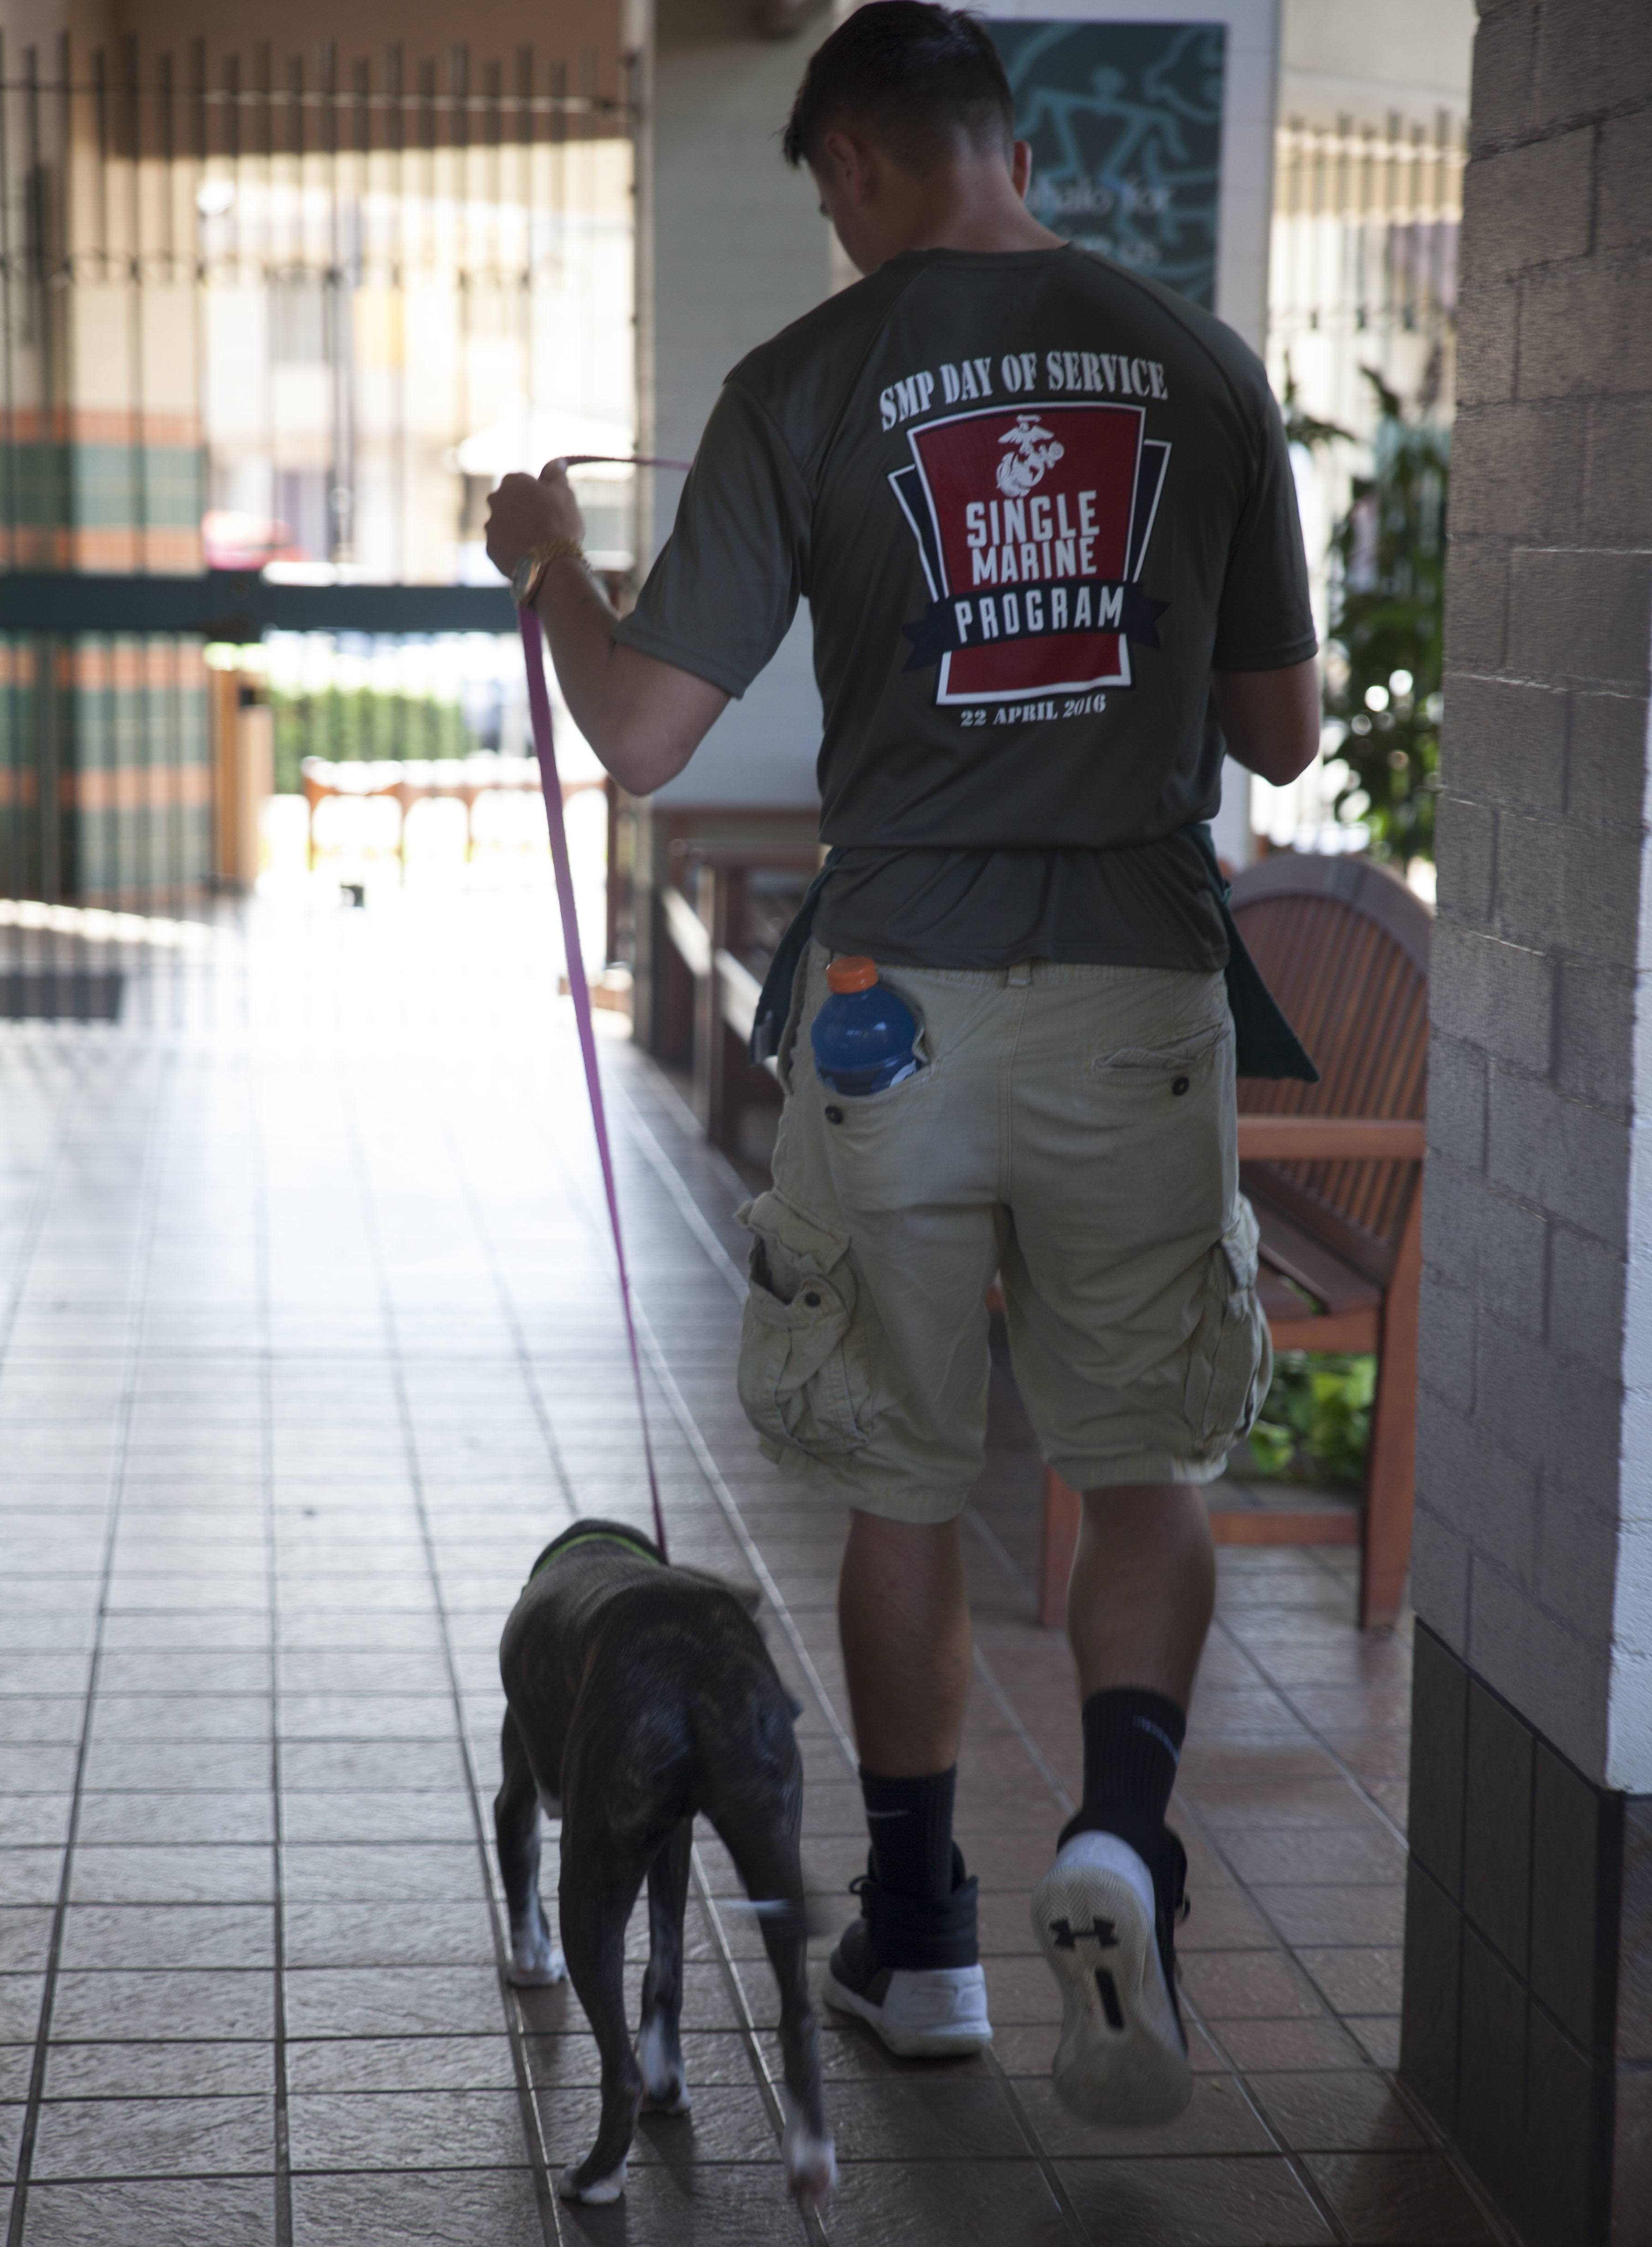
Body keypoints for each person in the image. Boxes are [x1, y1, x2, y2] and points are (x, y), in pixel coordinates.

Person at [486, 2, 1318, 2126]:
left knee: (901, 1474)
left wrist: (552, 567)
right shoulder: (1203, 367)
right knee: (1140, 1470)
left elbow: (648, 735)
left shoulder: (809, 383)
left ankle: (928, 1938)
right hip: (1142, 991)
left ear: (853, 164)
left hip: (895, 1009)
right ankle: (1122, 1835)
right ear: (1005, 143)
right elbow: (1285, 731)